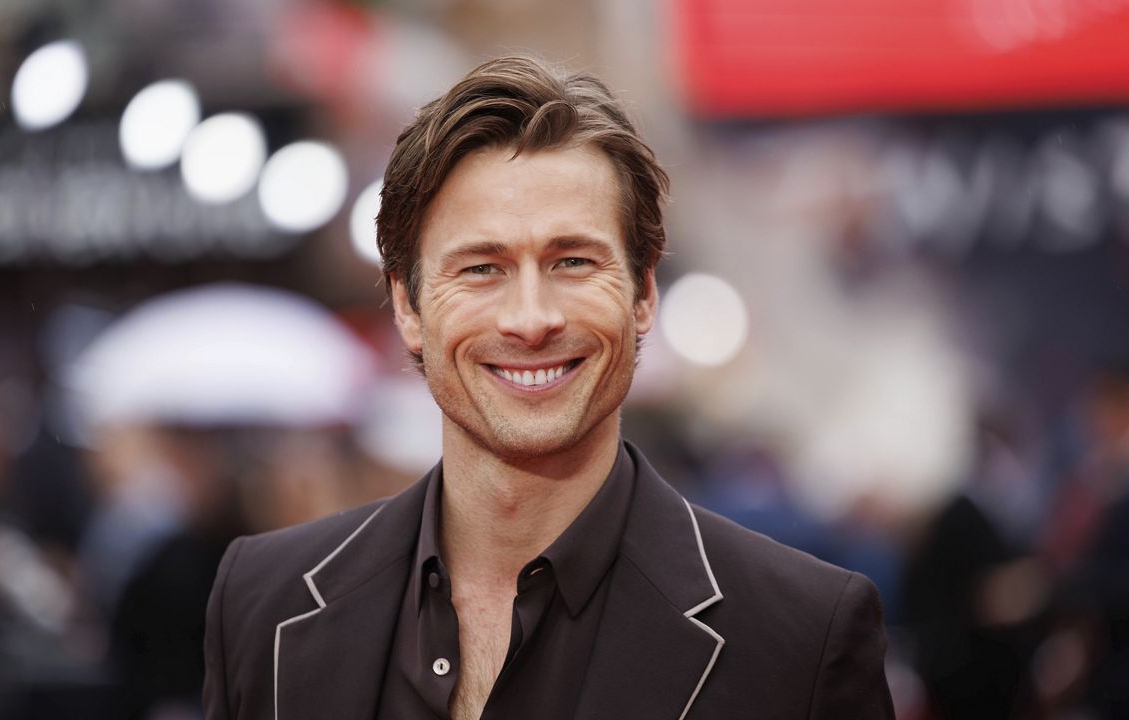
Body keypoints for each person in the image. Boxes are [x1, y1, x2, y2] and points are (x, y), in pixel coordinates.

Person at [203, 57, 894, 720]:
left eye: (572, 261)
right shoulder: (262, 602)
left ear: (644, 292)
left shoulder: (803, 637)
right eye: (481, 268)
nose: (531, 319)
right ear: (409, 308)